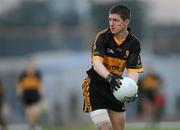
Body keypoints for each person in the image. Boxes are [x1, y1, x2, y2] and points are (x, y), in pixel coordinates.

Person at [82, 4, 143, 130]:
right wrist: (109, 77)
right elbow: (96, 63)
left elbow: (133, 69)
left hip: (116, 89)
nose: (111, 23)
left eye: (115, 20)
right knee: (105, 127)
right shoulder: (102, 37)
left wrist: (132, 86)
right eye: (110, 19)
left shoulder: (134, 43)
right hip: (95, 86)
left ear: (126, 22)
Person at [17, 57, 43, 130]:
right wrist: (20, 92)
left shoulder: (37, 73)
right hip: (26, 94)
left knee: (36, 111)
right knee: (28, 111)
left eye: (32, 63)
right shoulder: (23, 74)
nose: (30, 65)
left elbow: (40, 84)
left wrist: (40, 92)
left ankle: (33, 123)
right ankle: (31, 125)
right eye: (29, 63)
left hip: (35, 93)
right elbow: (20, 85)